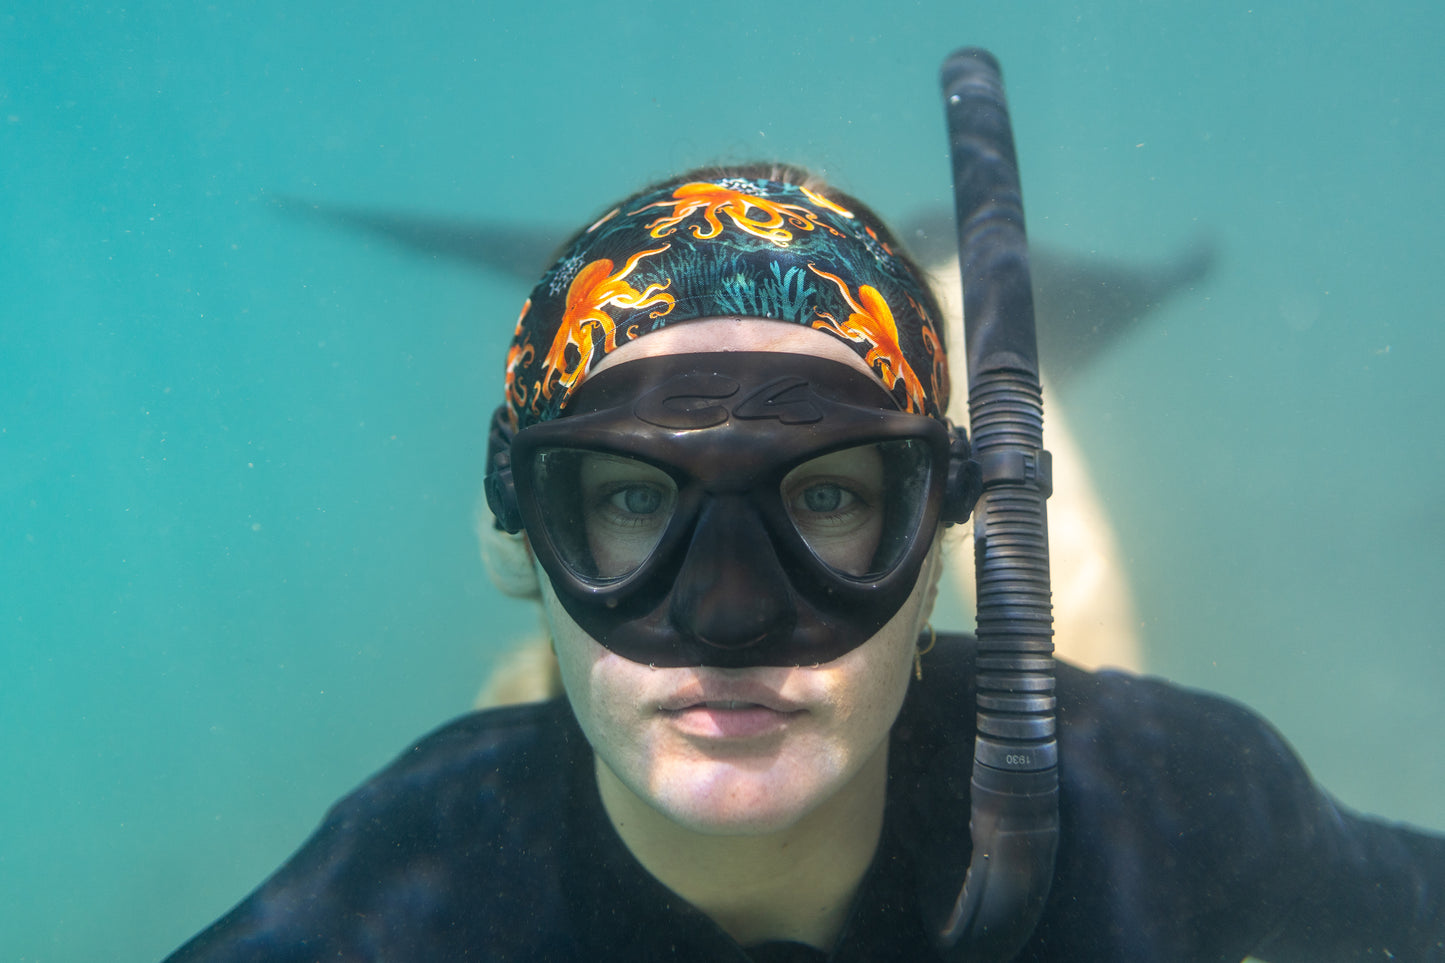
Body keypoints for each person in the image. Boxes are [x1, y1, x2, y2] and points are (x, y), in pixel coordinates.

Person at [166, 165, 1445, 962]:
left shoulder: (1163, 812)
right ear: (516, 535)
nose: (729, 614)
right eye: (623, 497)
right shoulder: (398, 914)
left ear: (939, 526)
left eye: (829, 496)